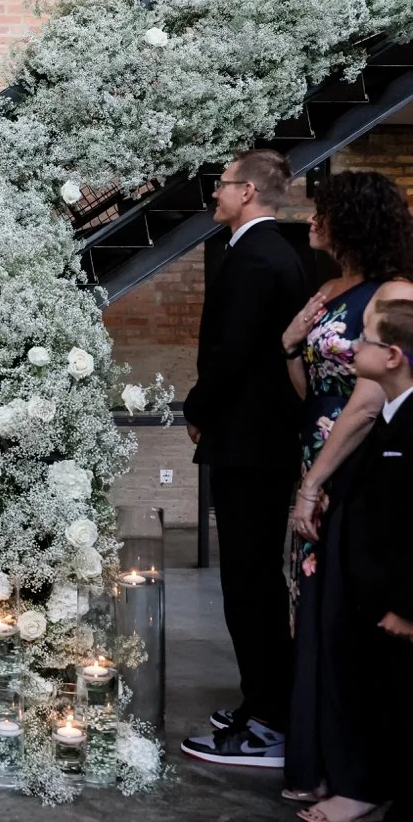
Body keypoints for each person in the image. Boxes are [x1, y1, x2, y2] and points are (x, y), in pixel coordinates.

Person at [279, 172, 413, 814]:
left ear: (353, 221)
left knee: (347, 617)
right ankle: (324, 760)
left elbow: (364, 402)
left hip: (355, 467)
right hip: (316, 448)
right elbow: (315, 388)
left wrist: (315, 482)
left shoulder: (394, 293)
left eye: (322, 213)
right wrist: (288, 344)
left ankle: (362, 776)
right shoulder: (330, 289)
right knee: (312, 611)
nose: (310, 223)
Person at [181, 149, 307, 767]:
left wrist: (197, 408)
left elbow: (231, 354)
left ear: (250, 191)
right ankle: (261, 699)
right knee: (250, 582)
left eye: (223, 184)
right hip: (254, 441)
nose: (214, 193)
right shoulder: (257, 251)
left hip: (253, 444)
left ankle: (269, 721)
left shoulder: (258, 257)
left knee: (249, 585)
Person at [308, 297, 413, 822]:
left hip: (396, 602)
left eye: (366, 339)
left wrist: (407, 607)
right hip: (369, 590)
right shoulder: (392, 420)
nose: (353, 347)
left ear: (392, 356)